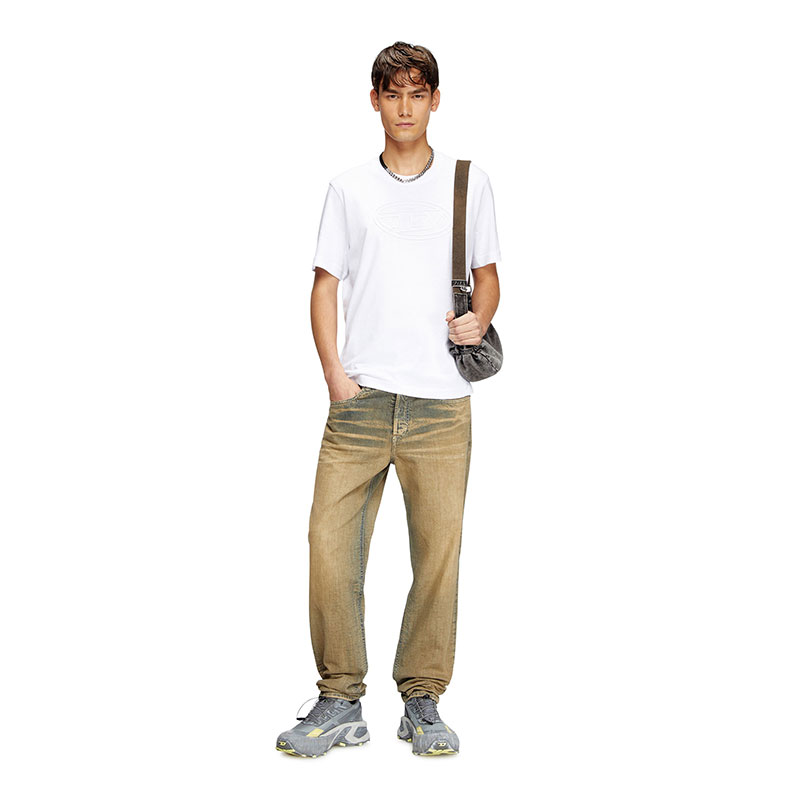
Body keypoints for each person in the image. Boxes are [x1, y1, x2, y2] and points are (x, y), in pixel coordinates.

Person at [276, 41, 502, 758]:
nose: (405, 106)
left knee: (438, 556)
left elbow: (487, 275)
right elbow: (324, 285)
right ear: (374, 101)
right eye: (392, 93)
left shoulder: (468, 182)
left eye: (417, 92)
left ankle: (422, 700)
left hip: (441, 405)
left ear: (435, 99)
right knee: (329, 547)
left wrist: (480, 318)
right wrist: (335, 377)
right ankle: (340, 698)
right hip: (362, 401)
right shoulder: (348, 188)